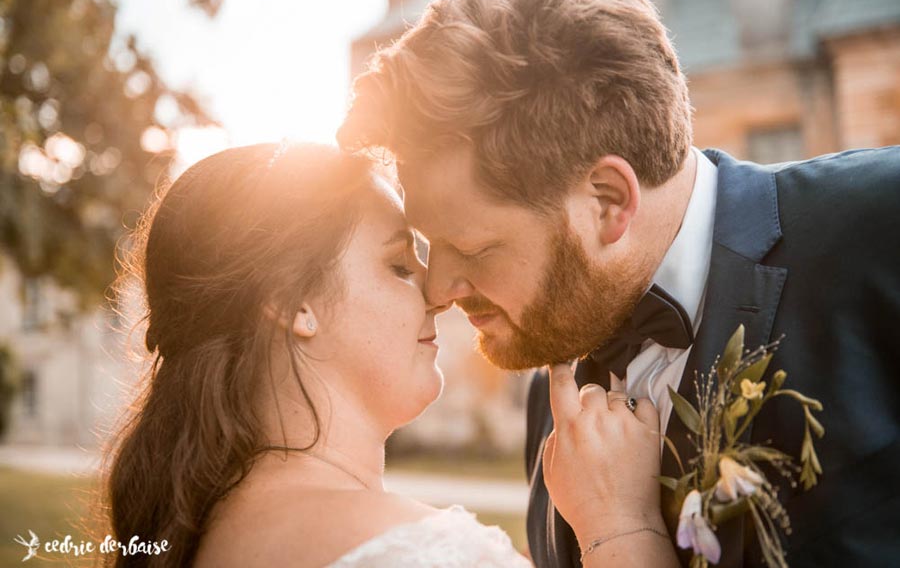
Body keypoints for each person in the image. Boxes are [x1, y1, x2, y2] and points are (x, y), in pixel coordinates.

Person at [338, 0, 900, 568]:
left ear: (608, 200)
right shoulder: (550, 397)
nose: (436, 290)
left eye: (472, 248)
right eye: (427, 243)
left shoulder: (880, 227)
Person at [103, 142, 677, 568]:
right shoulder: (427, 554)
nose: (436, 292)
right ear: (293, 304)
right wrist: (621, 528)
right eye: (400, 265)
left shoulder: (205, 533)